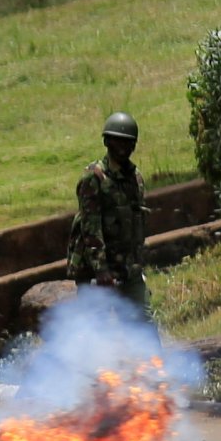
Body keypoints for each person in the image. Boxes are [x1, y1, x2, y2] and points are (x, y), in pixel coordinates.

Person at [67, 110, 149, 308]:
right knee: (96, 330)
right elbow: (90, 227)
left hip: (128, 269)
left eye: (127, 142)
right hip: (96, 272)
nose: (122, 147)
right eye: (116, 141)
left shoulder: (135, 178)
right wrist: (101, 269)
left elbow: (137, 222)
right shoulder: (94, 178)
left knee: (142, 325)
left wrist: (137, 264)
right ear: (106, 142)